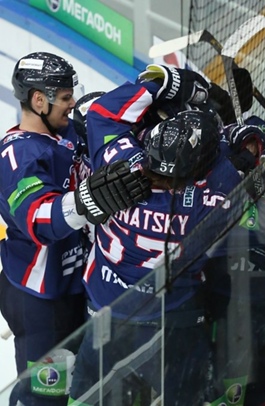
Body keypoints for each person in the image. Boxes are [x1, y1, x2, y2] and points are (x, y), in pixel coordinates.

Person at [67, 62, 242, 405]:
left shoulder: (115, 161)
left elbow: (102, 113)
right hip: (172, 322)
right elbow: (223, 160)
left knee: (85, 400)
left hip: (105, 310)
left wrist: (162, 82)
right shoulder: (211, 198)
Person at [0, 52, 150, 406]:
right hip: (41, 300)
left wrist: (156, 86)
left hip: (74, 285)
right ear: (39, 101)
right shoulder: (16, 158)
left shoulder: (64, 131)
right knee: (46, 398)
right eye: (65, 97)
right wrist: (89, 200)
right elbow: (41, 219)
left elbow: (104, 120)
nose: (71, 104)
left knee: (81, 381)